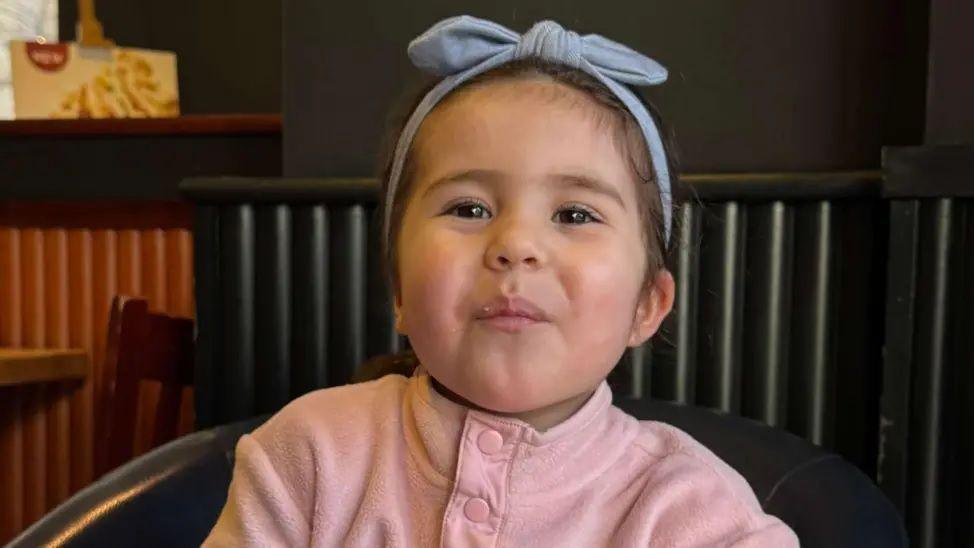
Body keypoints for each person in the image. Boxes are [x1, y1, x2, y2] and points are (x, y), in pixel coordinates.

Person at [204, 15, 799, 547]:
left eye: (574, 215)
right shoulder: (307, 456)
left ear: (648, 304)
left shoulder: (691, 511)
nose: (515, 244)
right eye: (468, 208)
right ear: (400, 293)